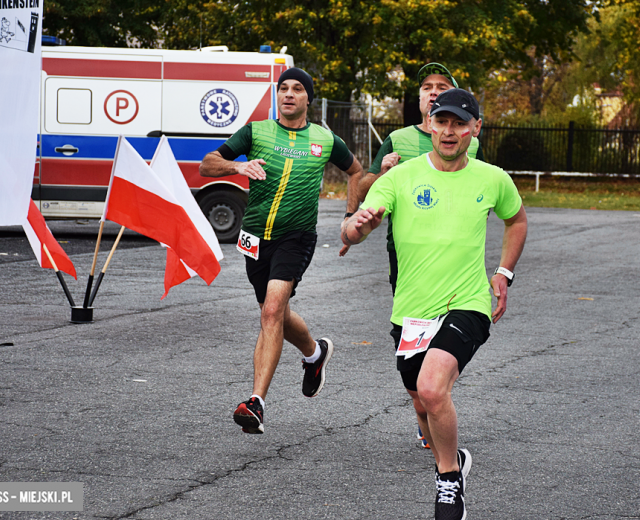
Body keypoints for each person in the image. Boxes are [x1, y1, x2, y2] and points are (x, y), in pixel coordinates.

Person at [341, 88, 527, 519]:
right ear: (429, 124)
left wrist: (503, 273)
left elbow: (516, 219)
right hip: (411, 311)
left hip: (468, 303)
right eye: (441, 121)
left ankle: (448, 481)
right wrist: (357, 226)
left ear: (474, 129)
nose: (449, 131)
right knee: (422, 400)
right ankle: (454, 457)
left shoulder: (492, 178)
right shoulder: (400, 178)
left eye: (459, 123)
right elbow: (352, 234)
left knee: (431, 387)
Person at [200, 67, 363, 434]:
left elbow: (356, 172)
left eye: (297, 89)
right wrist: (237, 166)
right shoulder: (256, 132)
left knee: (272, 310)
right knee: (274, 313)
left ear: (308, 99)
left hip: (296, 236)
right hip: (255, 236)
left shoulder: (324, 139)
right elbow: (206, 164)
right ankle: (315, 354)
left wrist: (351, 216)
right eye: (283, 88)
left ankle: (255, 402)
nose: (288, 94)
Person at [357, 62, 484, 450]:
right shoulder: (396, 138)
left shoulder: (469, 142)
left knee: (435, 365)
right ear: (422, 106)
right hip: (406, 258)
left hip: (456, 267)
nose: (432, 91)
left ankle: (433, 395)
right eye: (426, 86)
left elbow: (475, 185)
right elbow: (364, 184)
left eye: (441, 85)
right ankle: (424, 402)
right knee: (414, 357)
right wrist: (371, 191)